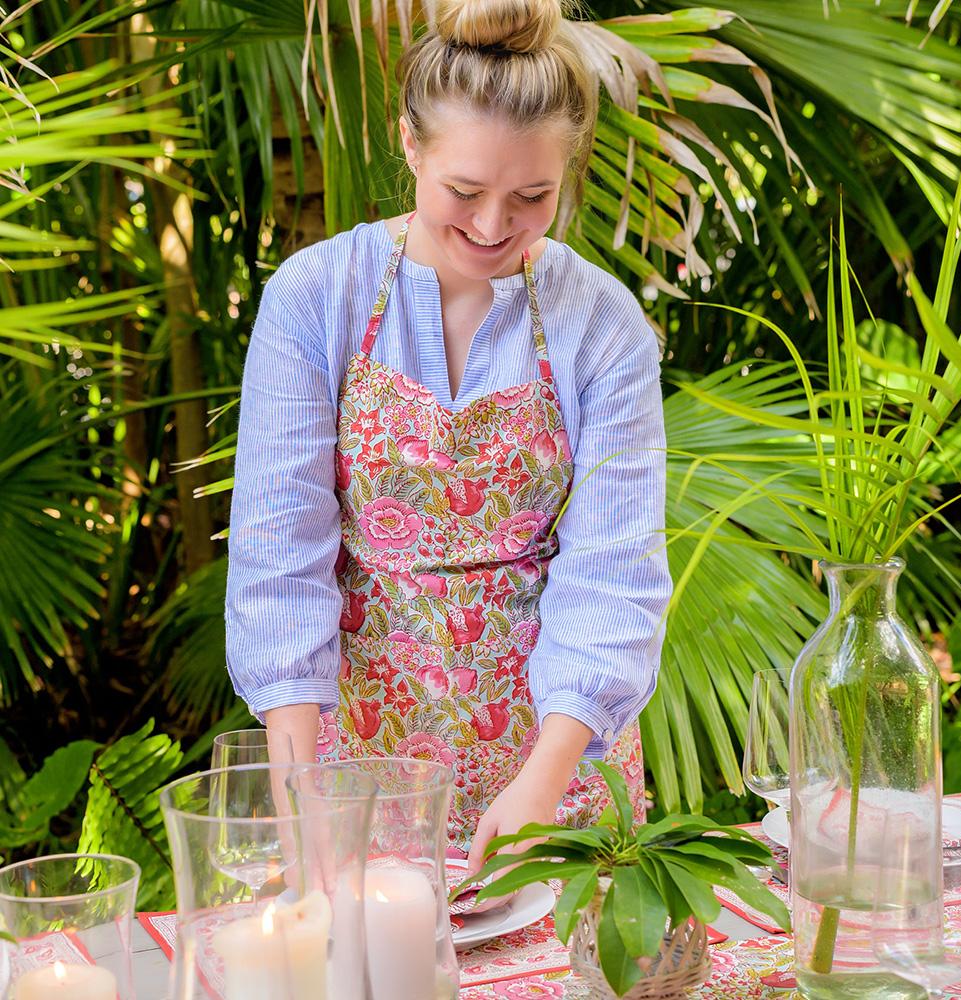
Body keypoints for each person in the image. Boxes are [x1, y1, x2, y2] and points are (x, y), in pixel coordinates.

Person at [225, 0, 672, 874]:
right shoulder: (315, 297)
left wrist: (539, 792)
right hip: (353, 772)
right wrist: (300, 807)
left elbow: (614, 569)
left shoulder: (603, 324)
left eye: (532, 196)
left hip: (560, 775)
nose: (493, 226)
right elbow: (278, 561)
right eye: (463, 192)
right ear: (409, 145)